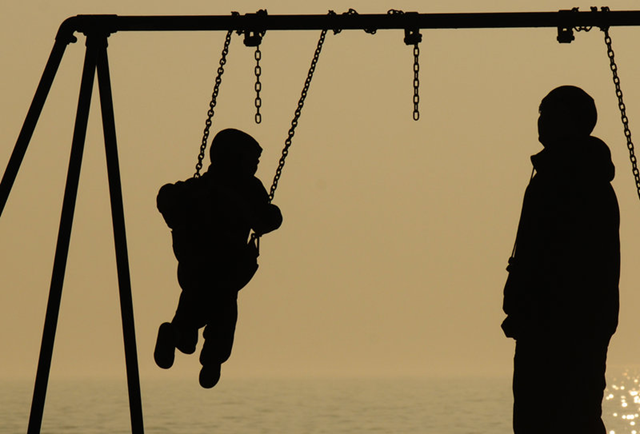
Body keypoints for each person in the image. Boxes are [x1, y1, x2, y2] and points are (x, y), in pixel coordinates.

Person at [501, 86, 620, 433]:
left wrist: (527, 311)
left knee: (548, 417)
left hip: (556, 330)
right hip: (577, 326)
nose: (540, 121)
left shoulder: (561, 180)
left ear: (568, 120)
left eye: (547, 113)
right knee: (576, 414)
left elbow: (551, 260)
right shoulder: (585, 178)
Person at [154, 128, 283, 388]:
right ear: (237, 160)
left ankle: (177, 333)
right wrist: (272, 215)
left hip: (195, 269)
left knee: (191, 305)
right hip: (226, 270)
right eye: (252, 162)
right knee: (223, 316)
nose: (255, 168)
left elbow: (167, 197)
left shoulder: (201, 186)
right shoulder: (247, 190)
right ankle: (212, 359)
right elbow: (264, 220)